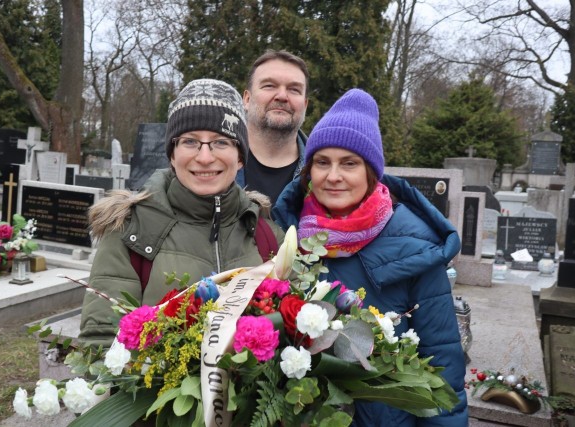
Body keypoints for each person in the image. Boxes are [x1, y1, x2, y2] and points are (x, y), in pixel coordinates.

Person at [273, 89, 468, 426]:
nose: (333, 176)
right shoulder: (284, 234)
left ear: (370, 173)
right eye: (322, 162)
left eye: (349, 163)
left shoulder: (415, 247)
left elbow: (442, 368)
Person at [79, 78, 284, 348]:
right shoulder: (130, 231)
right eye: (190, 141)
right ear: (172, 155)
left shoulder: (266, 233)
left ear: (240, 156)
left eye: (221, 142)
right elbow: (100, 345)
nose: (205, 157)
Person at [237, 50, 309, 206]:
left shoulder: (322, 174)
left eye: (294, 89)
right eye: (269, 86)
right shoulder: (211, 164)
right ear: (247, 99)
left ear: (305, 105)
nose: (282, 96)